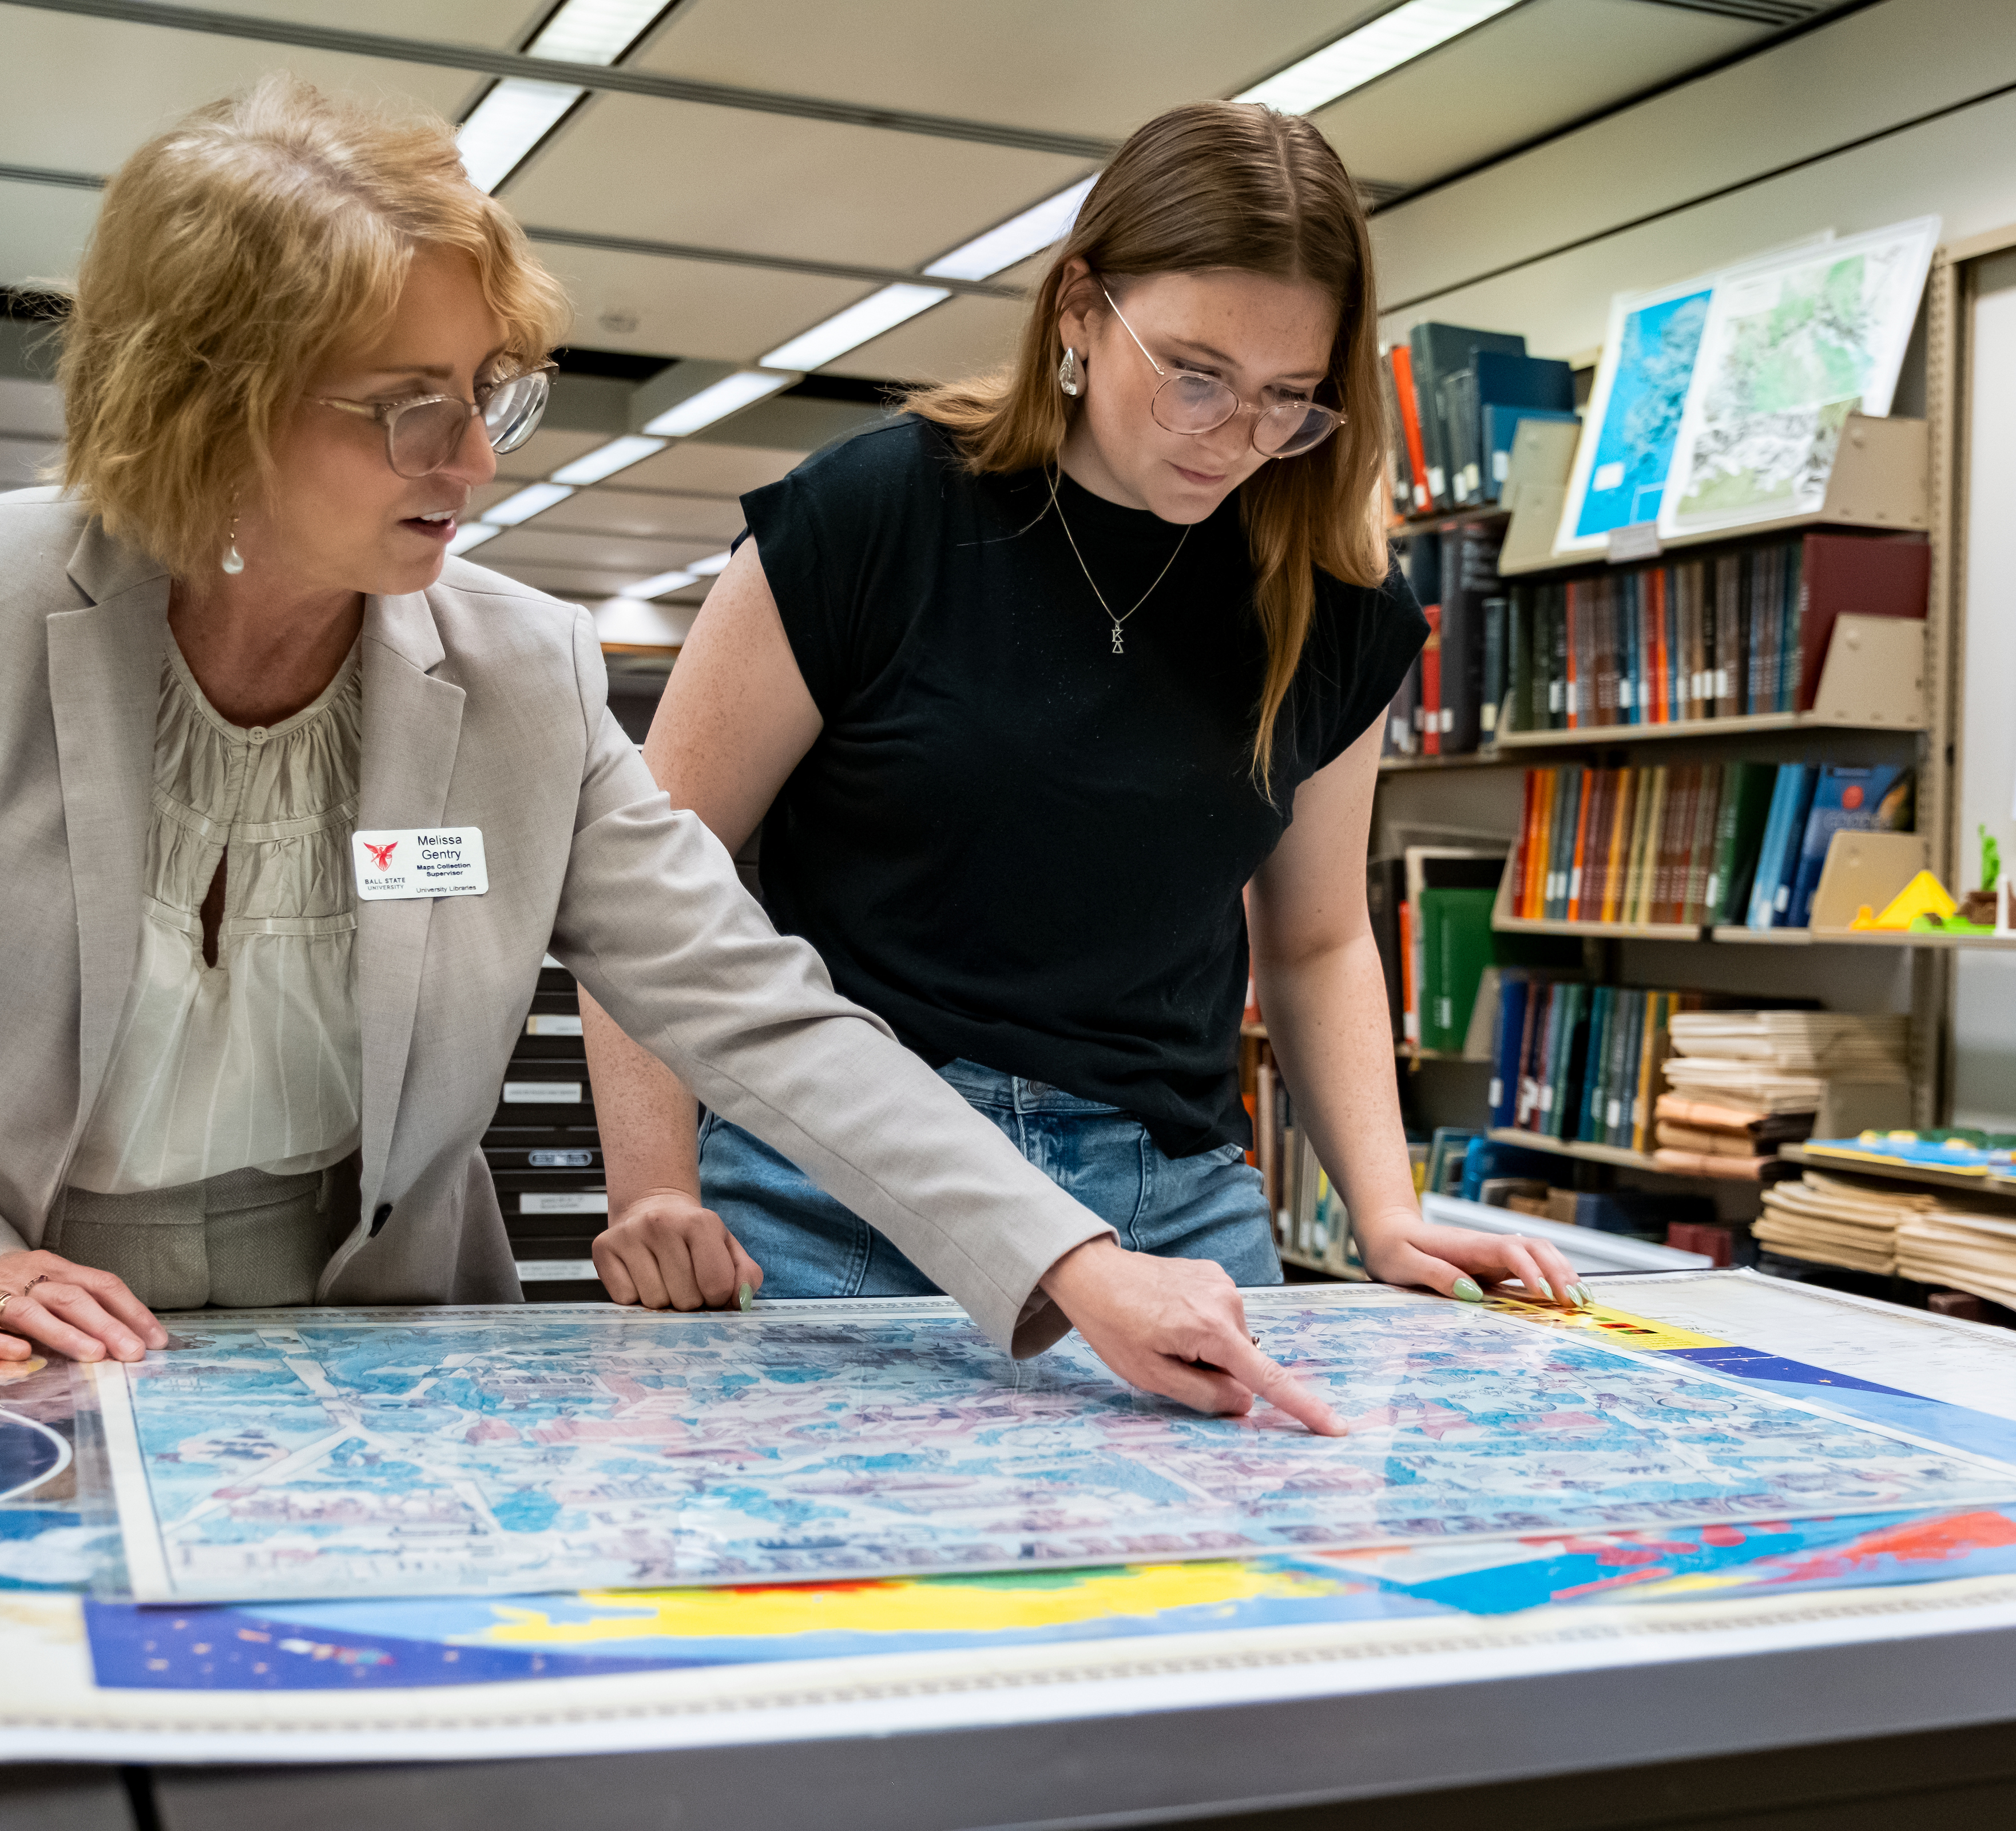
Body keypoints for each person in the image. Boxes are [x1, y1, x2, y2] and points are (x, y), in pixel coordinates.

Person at [0, 77, 1342, 1434]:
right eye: (404, 404)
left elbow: (752, 1004)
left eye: (490, 391)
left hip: (360, 1341)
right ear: (208, 397)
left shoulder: (518, 671)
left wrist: (1072, 1261)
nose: (473, 460)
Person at [582, 101, 1585, 1319]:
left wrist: (1388, 1214)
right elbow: (647, 882)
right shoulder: (876, 515)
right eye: (1196, 377)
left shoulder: (1334, 599)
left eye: (1290, 397)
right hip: (844, 1184)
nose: (1237, 439)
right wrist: (654, 1190)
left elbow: (1317, 939)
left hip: (1174, 1202)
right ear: (1076, 312)